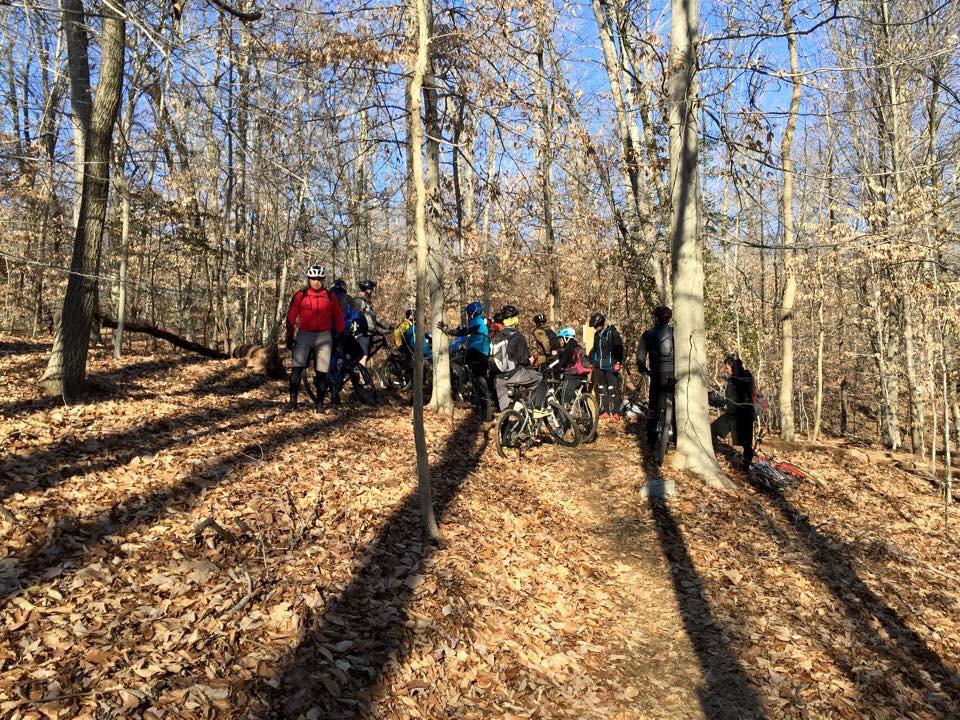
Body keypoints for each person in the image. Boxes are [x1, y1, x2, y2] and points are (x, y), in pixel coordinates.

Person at [285, 264, 345, 412]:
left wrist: (340, 336)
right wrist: (289, 335)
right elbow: (291, 315)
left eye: (319, 278)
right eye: (313, 278)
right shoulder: (301, 295)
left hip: (324, 336)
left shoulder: (331, 297)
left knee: (322, 372)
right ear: (308, 279)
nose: (316, 281)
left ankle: (319, 405)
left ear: (323, 280)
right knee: (297, 368)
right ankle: (293, 402)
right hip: (305, 334)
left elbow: (339, 317)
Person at [490, 305, 545, 412]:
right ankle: (538, 409)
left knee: (505, 411)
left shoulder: (496, 336)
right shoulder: (518, 336)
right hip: (515, 374)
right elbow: (524, 360)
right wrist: (530, 361)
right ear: (515, 319)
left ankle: (504, 426)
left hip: (499, 378)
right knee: (541, 378)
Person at [636, 305, 675, 446]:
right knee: (675, 404)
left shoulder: (648, 334)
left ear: (655, 318)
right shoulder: (675, 333)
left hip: (656, 374)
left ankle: (651, 439)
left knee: (653, 406)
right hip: (672, 374)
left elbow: (640, 357)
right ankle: (675, 437)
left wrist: (643, 369)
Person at [710, 354, 756, 471]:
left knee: (746, 443)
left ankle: (745, 467)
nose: (726, 370)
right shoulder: (739, 378)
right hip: (734, 414)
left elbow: (744, 394)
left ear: (733, 367)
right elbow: (730, 398)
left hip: (741, 414)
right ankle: (712, 458)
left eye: (727, 368)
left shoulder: (742, 378)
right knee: (713, 430)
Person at [437, 301, 490, 390]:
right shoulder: (483, 323)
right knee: (480, 375)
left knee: (451, 359)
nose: (468, 315)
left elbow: (462, 332)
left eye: (469, 313)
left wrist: (446, 329)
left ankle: (461, 386)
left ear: (473, 312)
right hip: (485, 353)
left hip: (474, 352)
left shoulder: (476, 321)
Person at [589, 312, 625, 422]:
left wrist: (618, 362)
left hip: (611, 366)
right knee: (602, 389)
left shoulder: (612, 333)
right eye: (594, 327)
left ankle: (616, 412)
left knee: (613, 389)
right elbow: (594, 349)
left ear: (601, 323)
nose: (595, 328)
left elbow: (619, 349)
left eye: (596, 326)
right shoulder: (596, 335)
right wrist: (591, 361)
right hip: (599, 367)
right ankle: (605, 411)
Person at [548, 326, 592, 405]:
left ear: (566, 338)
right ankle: (588, 415)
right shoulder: (578, 347)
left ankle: (565, 415)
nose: (561, 341)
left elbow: (562, 363)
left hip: (572, 376)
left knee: (565, 402)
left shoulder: (568, 348)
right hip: (583, 375)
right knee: (583, 401)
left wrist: (556, 367)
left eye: (562, 339)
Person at [353, 279, 391, 365]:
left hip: (369, 333)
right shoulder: (359, 301)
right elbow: (354, 316)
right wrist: (359, 328)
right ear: (367, 289)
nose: (372, 292)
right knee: (364, 356)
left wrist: (388, 326)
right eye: (371, 289)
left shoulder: (367, 303)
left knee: (366, 357)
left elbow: (375, 319)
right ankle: (360, 377)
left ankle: (360, 376)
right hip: (362, 334)